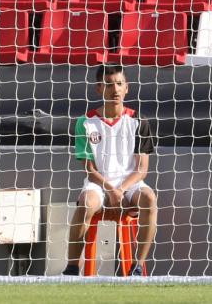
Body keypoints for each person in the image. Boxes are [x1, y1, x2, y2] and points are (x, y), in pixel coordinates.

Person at [63, 65, 157, 277]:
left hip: (130, 184)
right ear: (99, 88)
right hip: (99, 184)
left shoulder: (138, 121)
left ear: (127, 88)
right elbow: (89, 169)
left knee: (150, 199)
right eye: (109, 84)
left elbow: (141, 169)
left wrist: (120, 190)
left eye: (119, 84)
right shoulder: (85, 122)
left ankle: (137, 265)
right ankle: (71, 268)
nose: (115, 89)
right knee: (86, 203)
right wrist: (111, 190)